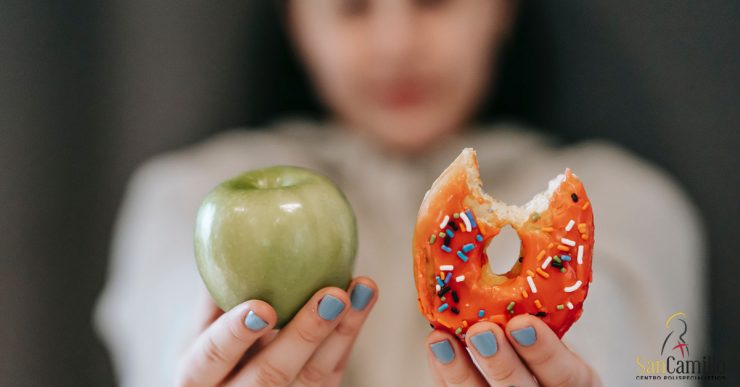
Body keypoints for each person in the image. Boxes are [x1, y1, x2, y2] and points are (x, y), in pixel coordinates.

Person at [94, 0, 706, 386]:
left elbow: (636, 351)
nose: (396, 44)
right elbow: (168, 328)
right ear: (294, 19)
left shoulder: (629, 201)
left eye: (434, 1)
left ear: (503, 9)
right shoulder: (179, 196)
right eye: (352, 7)